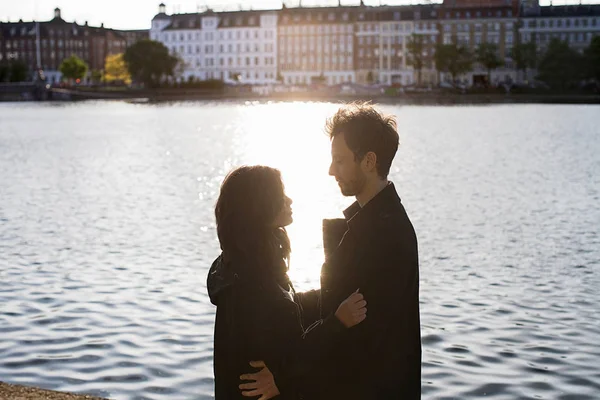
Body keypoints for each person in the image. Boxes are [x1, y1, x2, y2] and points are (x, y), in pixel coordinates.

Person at [241, 103, 421, 399]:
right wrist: (283, 303)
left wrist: (283, 378)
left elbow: (362, 341)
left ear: (369, 161)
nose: (330, 170)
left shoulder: (386, 235)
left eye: (339, 160)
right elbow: (338, 304)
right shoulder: (372, 224)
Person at [207, 165, 368, 400]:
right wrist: (338, 322)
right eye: (281, 195)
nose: (289, 200)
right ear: (260, 206)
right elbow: (288, 351)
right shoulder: (249, 284)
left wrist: (327, 296)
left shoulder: (248, 261)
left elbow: (283, 311)